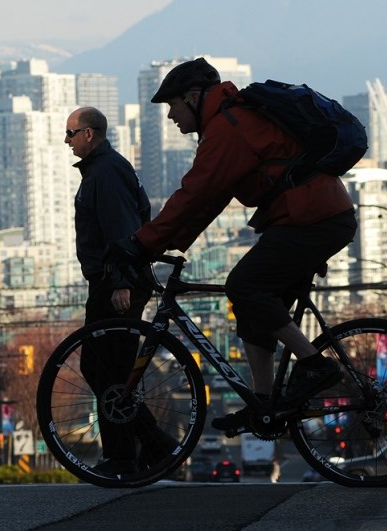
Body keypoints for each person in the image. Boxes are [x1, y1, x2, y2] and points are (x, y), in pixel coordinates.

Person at [105, 58, 357, 434]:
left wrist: (141, 244)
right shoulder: (228, 123)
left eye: (172, 106)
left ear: (192, 97)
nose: (171, 116)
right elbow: (210, 200)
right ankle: (264, 403)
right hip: (309, 217)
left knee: (245, 286)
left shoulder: (228, 128)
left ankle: (315, 364)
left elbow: (195, 193)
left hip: (312, 219)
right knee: (254, 309)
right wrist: (159, 244)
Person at [66, 106, 173, 474]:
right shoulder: (102, 169)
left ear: (90, 134)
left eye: (71, 133)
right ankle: (139, 448)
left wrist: (121, 282)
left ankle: (130, 452)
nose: (67, 141)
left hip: (117, 284)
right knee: (107, 369)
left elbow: (122, 230)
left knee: (106, 370)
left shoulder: (107, 172)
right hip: (111, 281)